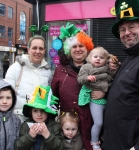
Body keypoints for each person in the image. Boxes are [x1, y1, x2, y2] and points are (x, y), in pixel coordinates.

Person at [100, 0, 139, 150]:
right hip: (115, 142)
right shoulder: (131, 58)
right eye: (122, 29)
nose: (126, 33)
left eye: (131, 27)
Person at [51, 22, 95, 150]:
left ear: (87, 48)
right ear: (69, 50)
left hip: (90, 122)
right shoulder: (60, 70)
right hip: (68, 125)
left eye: (81, 46)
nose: (78, 49)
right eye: (74, 46)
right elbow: (54, 98)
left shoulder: (96, 68)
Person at [5, 35, 52, 122]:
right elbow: (6, 94)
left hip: (40, 119)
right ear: (28, 49)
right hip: (19, 119)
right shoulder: (16, 68)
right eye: (34, 48)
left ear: (44, 51)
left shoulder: (47, 71)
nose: (37, 51)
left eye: (41, 48)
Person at [77, 46, 117, 150]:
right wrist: (87, 78)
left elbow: (114, 77)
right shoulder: (86, 67)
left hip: (107, 98)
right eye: (95, 56)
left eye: (101, 57)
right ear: (90, 58)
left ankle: (105, 138)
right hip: (95, 100)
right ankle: (94, 141)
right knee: (98, 122)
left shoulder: (107, 68)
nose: (98, 59)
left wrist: (115, 66)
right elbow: (80, 79)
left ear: (105, 60)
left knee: (108, 121)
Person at [15, 85, 63, 150]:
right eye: (35, 111)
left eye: (43, 111)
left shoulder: (55, 126)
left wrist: (48, 135)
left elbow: (60, 147)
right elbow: (18, 147)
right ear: (30, 112)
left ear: (48, 112)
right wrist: (29, 136)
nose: (39, 114)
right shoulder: (25, 126)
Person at [0, 80, 21, 150]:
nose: (4, 101)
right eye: (0, 98)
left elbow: (18, 143)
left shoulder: (16, 120)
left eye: (8, 98)